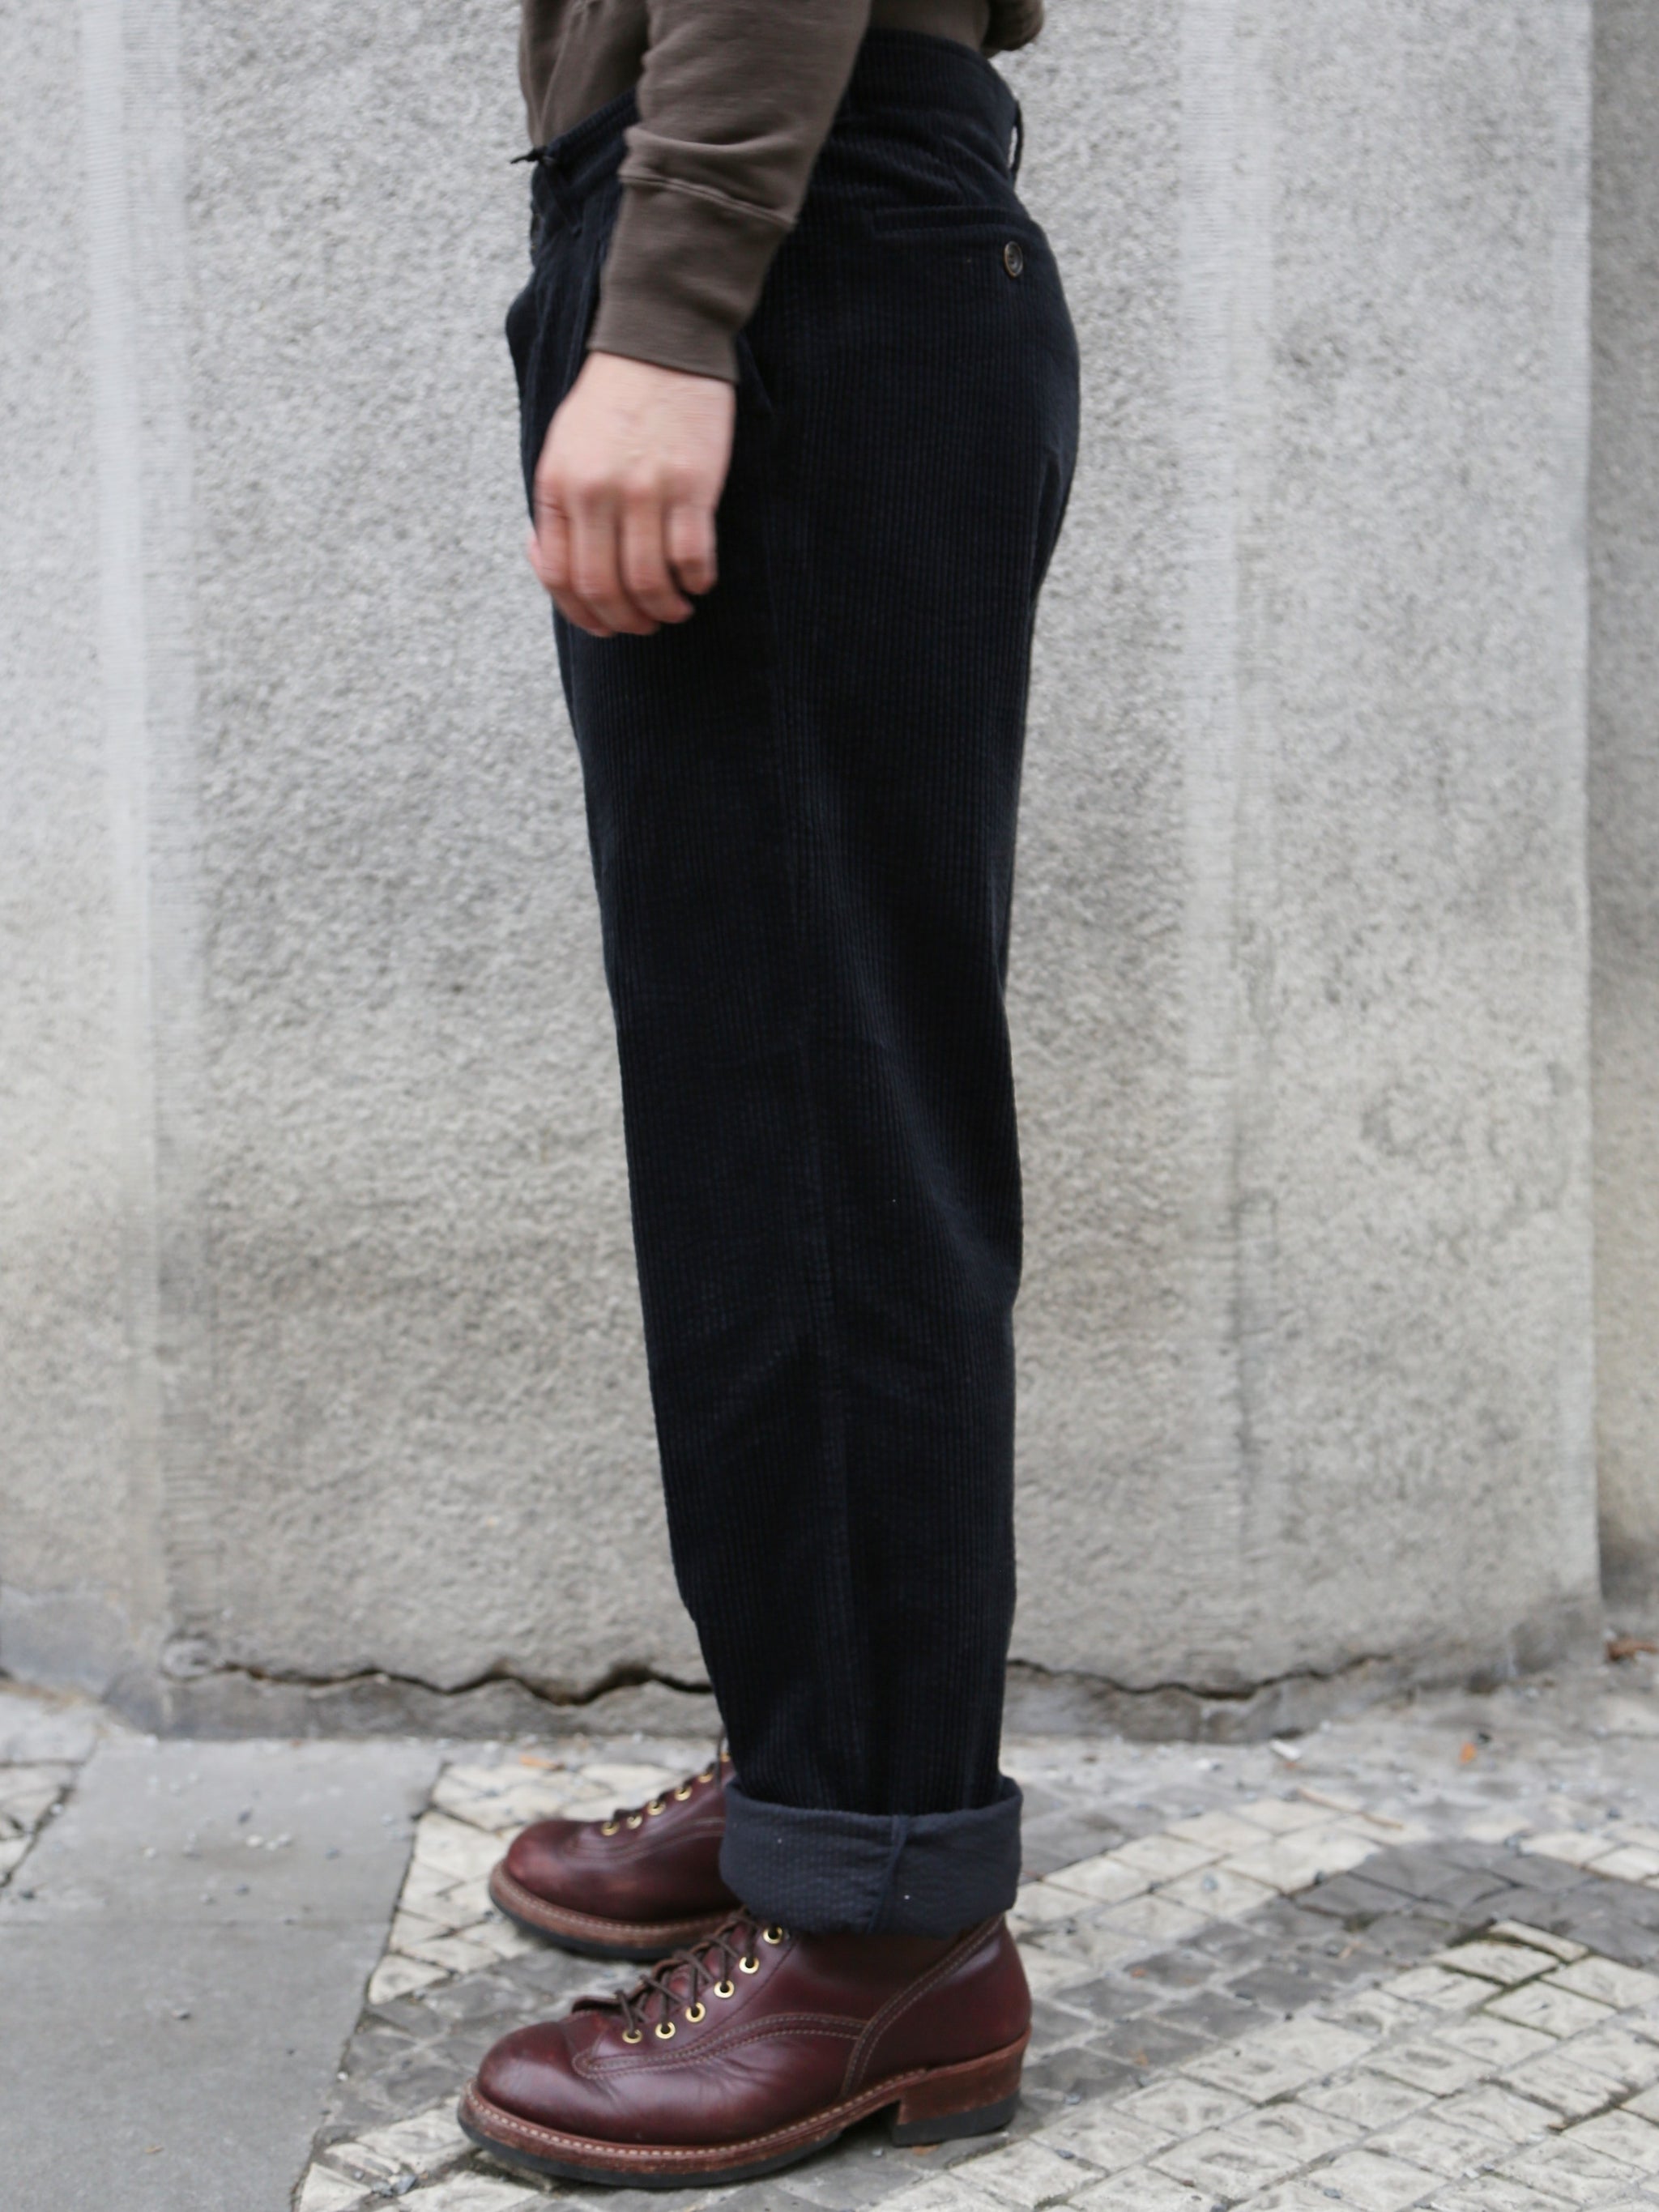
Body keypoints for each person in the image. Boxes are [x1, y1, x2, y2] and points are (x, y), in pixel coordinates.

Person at [460, 0, 1079, 2187]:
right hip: (781, 226)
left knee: (818, 1127)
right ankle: (824, 1762)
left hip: (788, 239)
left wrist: (677, 291)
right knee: (766, 1108)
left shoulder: (738, 254)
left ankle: (883, 1911)